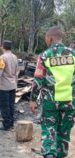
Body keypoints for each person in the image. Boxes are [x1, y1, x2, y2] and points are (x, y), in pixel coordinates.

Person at [30, 27, 75, 158]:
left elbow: (38, 80)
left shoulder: (45, 56)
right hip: (69, 103)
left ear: (50, 38)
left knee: (49, 131)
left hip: (51, 102)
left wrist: (33, 100)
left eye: (46, 39)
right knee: (64, 135)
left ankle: (49, 155)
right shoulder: (73, 55)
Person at [0, 40, 18, 130]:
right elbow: (16, 72)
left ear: (3, 47)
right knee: (11, 105)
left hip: (4, 86)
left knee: (4, 106)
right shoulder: (15, 57)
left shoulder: (2, 58)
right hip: (12, 85)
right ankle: (11, 123)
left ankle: (6, 125)